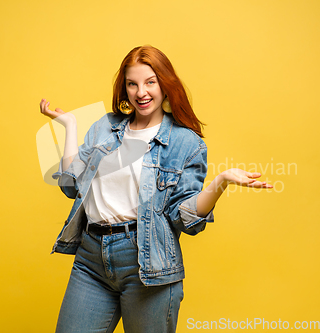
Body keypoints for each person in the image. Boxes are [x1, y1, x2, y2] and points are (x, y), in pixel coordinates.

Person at [39, 45, 273, 333]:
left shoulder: (185, 142)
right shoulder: (105, 127)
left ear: (165, 84)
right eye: (132, 84)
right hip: (90, 258)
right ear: (124, 89)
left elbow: (184, 217)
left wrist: (220, 181)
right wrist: (70, 126)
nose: (141, 92)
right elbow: (70, 185)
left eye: (150, 82)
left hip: (147, 262)